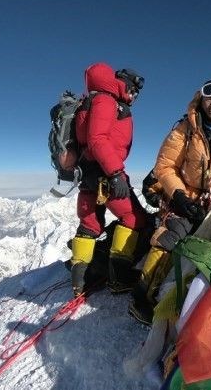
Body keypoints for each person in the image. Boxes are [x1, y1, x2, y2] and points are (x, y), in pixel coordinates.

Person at [129, 79, 211, 322]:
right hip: (189, 196)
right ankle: (142, 296)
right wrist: (178, 196)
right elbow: (165, 166)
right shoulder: (184, 130)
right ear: (201, 99)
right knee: (171, 236)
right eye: (209, 96)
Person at [69, 62, 151, 296]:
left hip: (87, 174)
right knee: (133, 218)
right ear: (126, 85)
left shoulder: (93, 99)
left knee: (90, 224)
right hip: (106, 174)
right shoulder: (106, 100)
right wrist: (115, 174)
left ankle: (78, 283)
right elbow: (97, 139)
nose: (135, 96)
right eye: (134, 90)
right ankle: (120, 278)